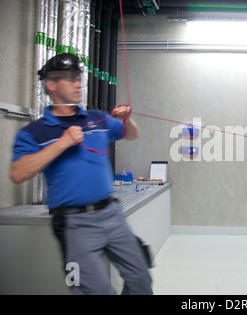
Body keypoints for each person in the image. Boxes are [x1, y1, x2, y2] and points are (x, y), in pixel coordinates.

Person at [9, 53, 153, 295]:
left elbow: (130, 134)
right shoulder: (35, 132)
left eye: (79, 77)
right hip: (74, 225)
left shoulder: (96, 118)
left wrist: (127, 119)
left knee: (141, 278)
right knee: (91, 291)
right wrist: (62, 142)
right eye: (70, 79)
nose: (78, 83)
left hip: (112, 214)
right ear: (51, 85)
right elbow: (18, 173)